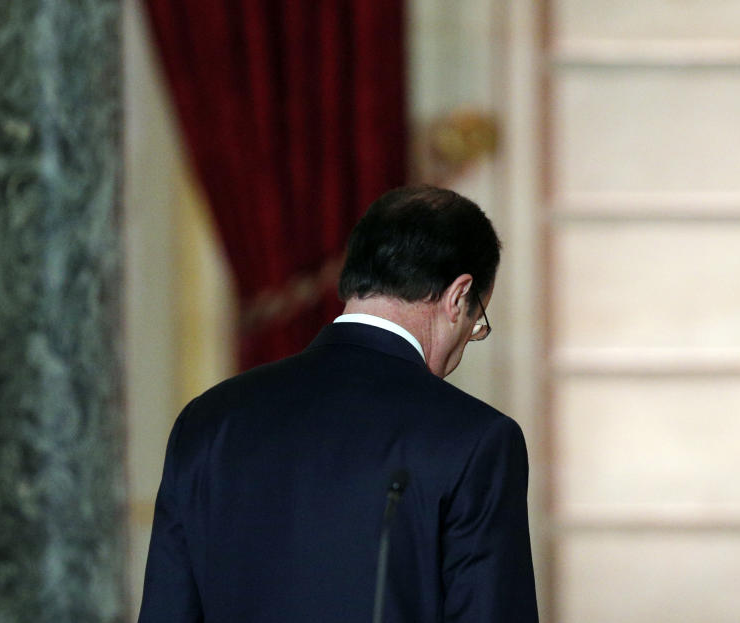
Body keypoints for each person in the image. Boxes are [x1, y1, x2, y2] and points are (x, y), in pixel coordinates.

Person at [138, 186, 538, 622]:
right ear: (459, 295)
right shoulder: (477, 440)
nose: (468, 339)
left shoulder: (207, 421)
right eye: (478, 321)